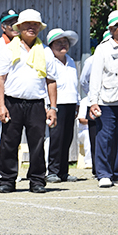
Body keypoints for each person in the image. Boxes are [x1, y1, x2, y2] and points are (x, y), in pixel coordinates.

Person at [0, 9, 58, 194]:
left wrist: (52, 108)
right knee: (9, 142)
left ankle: (37, 180)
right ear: (19, 27)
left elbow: (51, 80)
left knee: (37, 143)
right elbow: (0, 79)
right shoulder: (8, 50)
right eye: (27, 24)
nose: (32, 27)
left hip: (37, 103)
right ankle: (7, 180)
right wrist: (1, 105)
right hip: (12, 102)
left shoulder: (45, 51)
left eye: (35, 24)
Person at [89, 10, 118, 188]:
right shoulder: (103, 48)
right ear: (112, 28)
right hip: (107, 100)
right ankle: (103, 173)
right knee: (105, 138)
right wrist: (93, 101)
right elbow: (96, 76)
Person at [45, 29, 80, 183]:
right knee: (56, 138)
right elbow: (46, 83)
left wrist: (77, 102)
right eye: (58, 42)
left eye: (65, 42)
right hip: (55, 104)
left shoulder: (71, 60)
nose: (63, 45)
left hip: (71, 102)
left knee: (67, 138)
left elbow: (75, 83)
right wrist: (48, 105)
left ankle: (63, 171)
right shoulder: (49, 60)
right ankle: (52, 171)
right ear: (51, 45)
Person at [0, 9, 19, 182]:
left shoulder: (23, 43)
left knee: (14, 133)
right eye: (10, 24)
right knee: (3, 131)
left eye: (17, 23)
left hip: (18, 94)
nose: (15, 27)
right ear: (3, 27)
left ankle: (10, 170)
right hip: (4, 93)